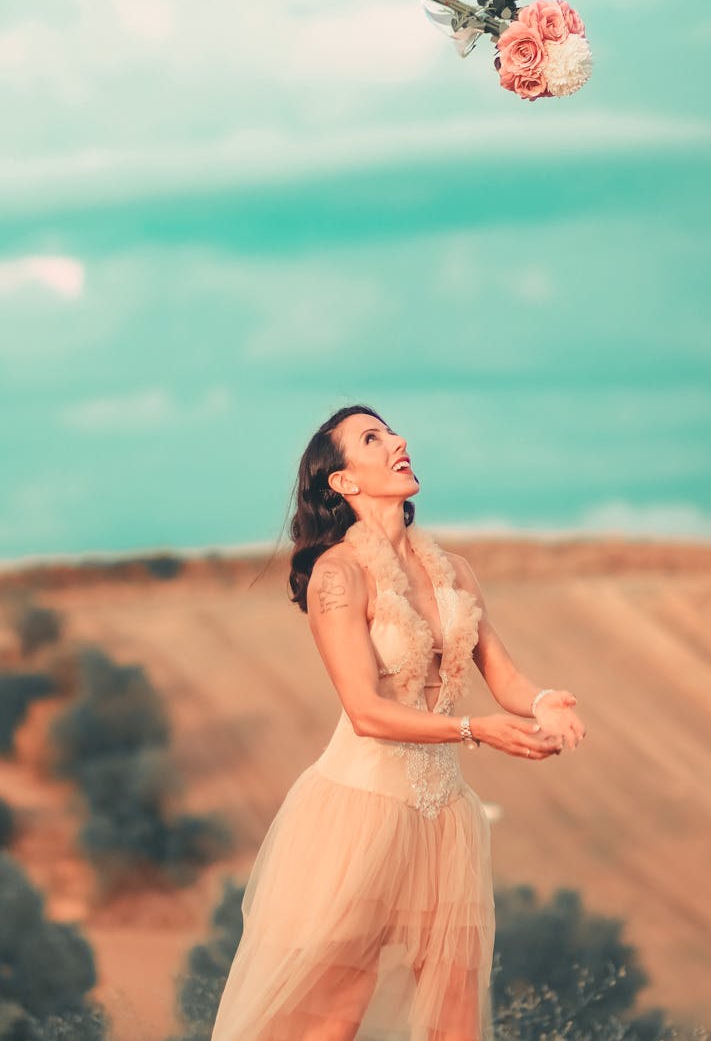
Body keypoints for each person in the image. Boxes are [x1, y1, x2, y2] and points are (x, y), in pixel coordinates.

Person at [210, 404, 586, 1041]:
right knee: (329, 1021)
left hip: (445, 823)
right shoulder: (338, 573)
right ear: (343, 481)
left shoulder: (454, 571)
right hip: (359, 813)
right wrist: (476, 731)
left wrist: (546, 700)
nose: (398, 441)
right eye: (372, 438)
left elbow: (506, 679)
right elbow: (365, 711)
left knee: (455, 1022)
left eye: (391, 431)